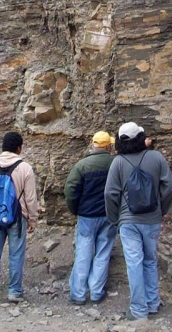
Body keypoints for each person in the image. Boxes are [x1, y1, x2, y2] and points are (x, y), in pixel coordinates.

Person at [104, 123, 172, 322]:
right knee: (150, 260)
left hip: (128, 220)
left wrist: (114, 218)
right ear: (141, 136)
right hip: (152, 218)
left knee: (134, 263)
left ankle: (138, 310)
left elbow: (110, 193)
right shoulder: (156, 157)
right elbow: (169, 186)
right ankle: (153, 303)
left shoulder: (118, 162)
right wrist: (163, 209)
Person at [0, 131, 38, 303]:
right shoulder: (25, 168)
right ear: (19, 148)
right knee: (16, 254)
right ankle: (14, 291)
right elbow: (30, 198)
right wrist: (32, 219)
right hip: (18, 218)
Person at [64, 131, 117, 306]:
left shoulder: (82, 166)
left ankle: (78, 294)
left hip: (87, 215)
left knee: (83, 253)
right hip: (108, 215)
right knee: (103, 252)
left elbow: (70, 191)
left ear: (93, 145)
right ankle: (96, 292)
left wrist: (75, 209)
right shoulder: (115, 163)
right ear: (108, 146)